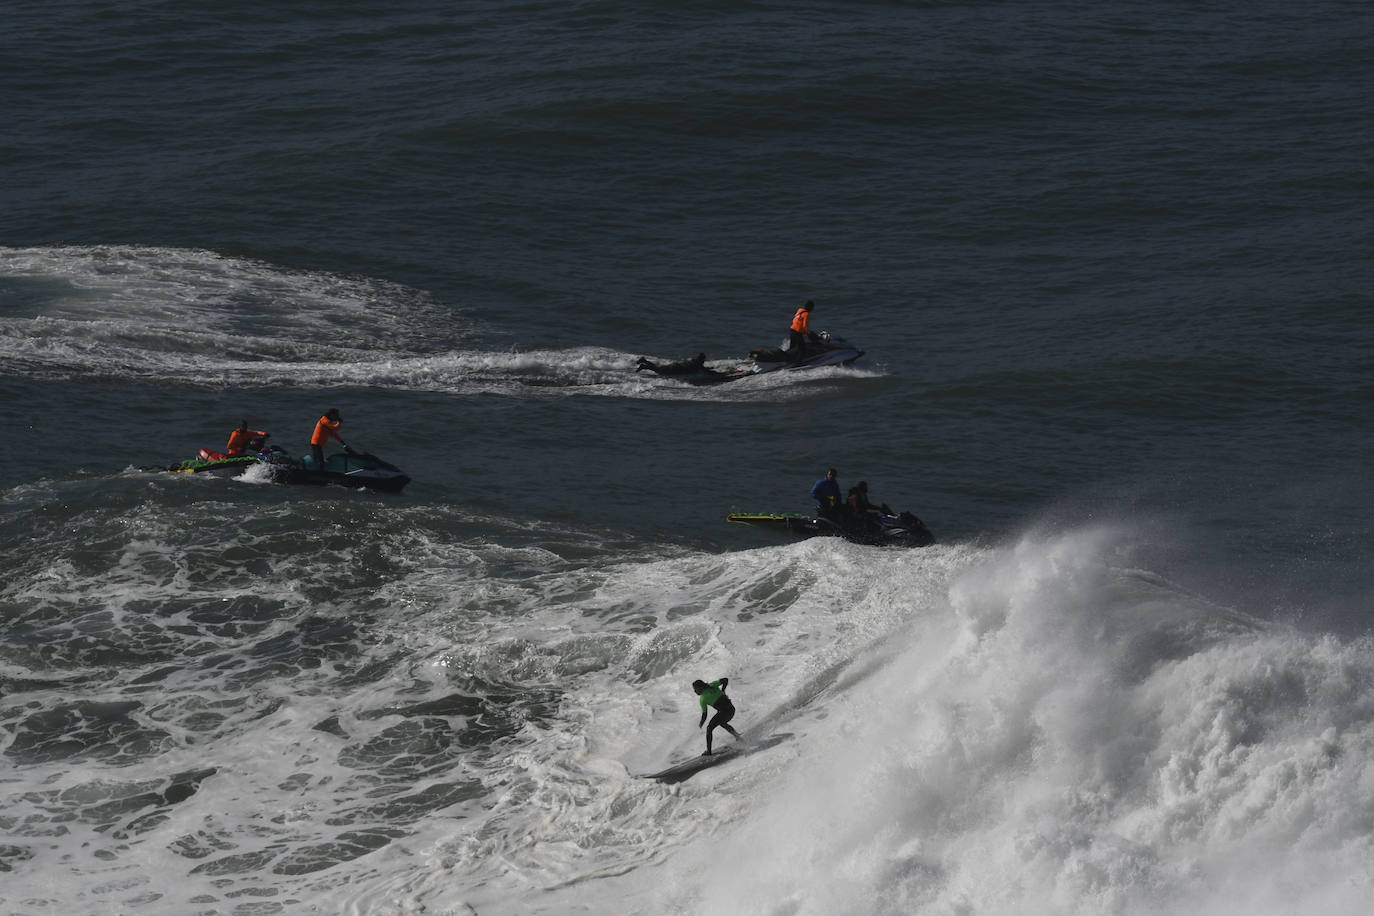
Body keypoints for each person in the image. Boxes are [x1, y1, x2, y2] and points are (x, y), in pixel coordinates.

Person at [693, 677, 740, 755]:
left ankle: (709, 751)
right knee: (722, 723)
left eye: (696, 689)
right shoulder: (713, 685)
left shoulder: (702, 699)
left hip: (724, 713)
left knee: (709, 728)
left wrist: (701, 723)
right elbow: (725, 680)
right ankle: (737, 736)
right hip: (731, 710)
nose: (695, 691)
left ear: (700, 688)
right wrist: (723, 690)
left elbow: (704, 715)